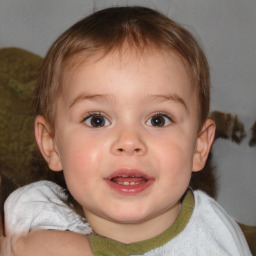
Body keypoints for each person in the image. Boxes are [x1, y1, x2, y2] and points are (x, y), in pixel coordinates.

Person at [1, 6, 251, 256]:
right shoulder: (33, 213)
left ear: (199, 146)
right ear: (51, 144)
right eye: (97, 120)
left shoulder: (214, 242)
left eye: (158, 120)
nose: (129, 142)